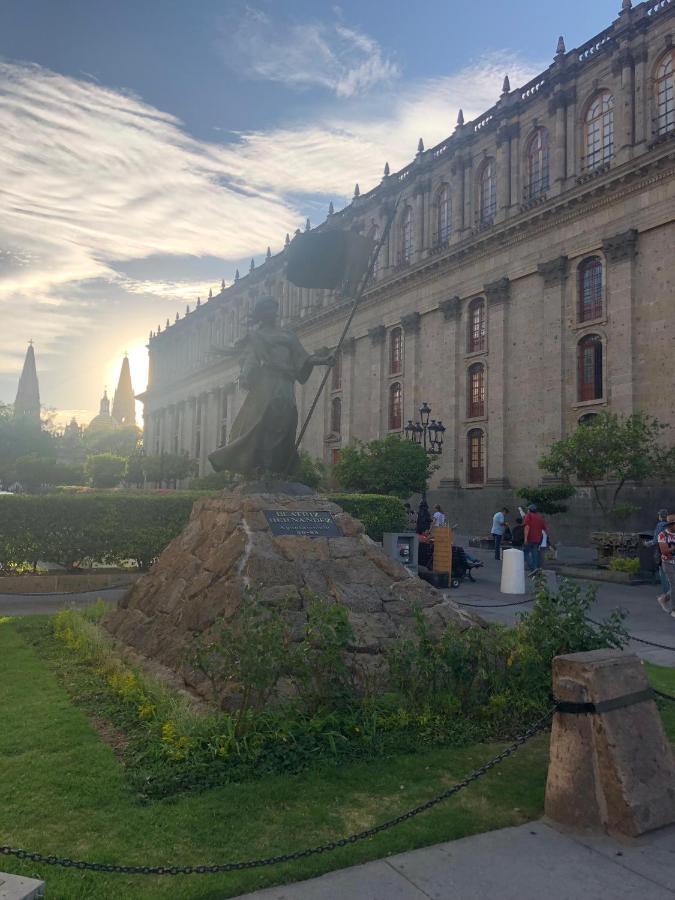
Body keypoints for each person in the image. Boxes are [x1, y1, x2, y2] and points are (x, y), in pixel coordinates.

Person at [208, 297, 333, 477]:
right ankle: (264, 468)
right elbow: (251, 359)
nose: (275, 313)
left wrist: (323, 360)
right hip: (266, 383)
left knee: (287, 420)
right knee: (264, 422)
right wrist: (245, 376)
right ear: (262, 314)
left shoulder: (289, 335)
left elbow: (302, 357)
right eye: (270, 310)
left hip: (285, 383)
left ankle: (277, 468)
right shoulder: (256, 336)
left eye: (276, 309)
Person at [650, 509, 671, 612]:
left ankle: (665, 596)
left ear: (660, 516)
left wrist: (647, 543)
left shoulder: (660, 526)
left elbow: (655, 541)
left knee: (663, 574)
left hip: (662, 552)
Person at [657, 514, 675, 617]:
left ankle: (663, 599)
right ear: (671, 525)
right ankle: (673, 609)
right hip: (668, 563)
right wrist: (672, 549)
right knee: (674, 584)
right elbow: (664, 551)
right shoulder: (662, 535)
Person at [523, 504, 547, 573]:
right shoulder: (540, 517)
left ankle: (533, 568)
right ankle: (535, 568)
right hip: (537, 539)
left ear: (529, 510)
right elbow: (544, 528)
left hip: (530, 538)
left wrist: (525, 538)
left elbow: (527, 527)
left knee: (525, 553)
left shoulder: (529, 515)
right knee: (535, 554)